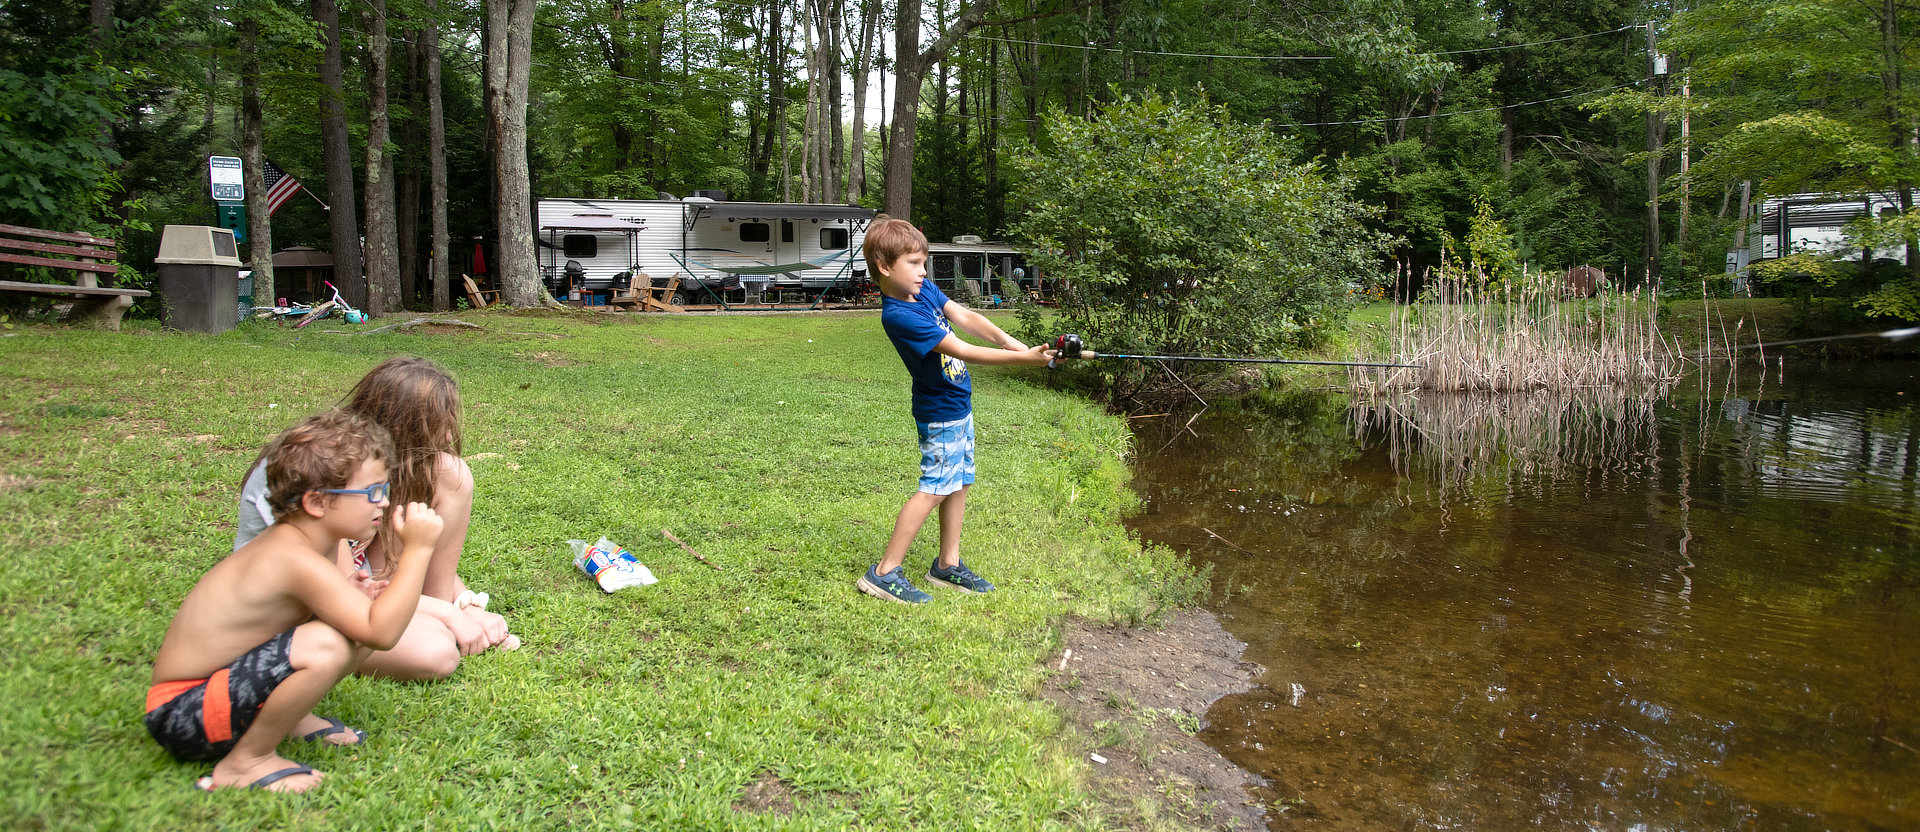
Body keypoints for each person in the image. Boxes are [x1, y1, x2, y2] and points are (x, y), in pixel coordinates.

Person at [147, 410, 445, 792]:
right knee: (325, 645)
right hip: (182, 711)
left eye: (384, 490)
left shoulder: (319, 544)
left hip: (219, 693)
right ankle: (245, 762)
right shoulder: (292, 557)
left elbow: (365, 627)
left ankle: (288, 718)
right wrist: (418, 550)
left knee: (347, 629)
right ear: (317, 503)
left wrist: (360, 598)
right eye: (372, 492)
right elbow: (382, 633)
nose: (383, 503)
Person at [236, 356, 511, 680]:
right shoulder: (319, 469)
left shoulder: (372, 461)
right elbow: (342, 589)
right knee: (435, 653)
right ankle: (430, 618)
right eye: (441, 424)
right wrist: (449, 614)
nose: (450, 437)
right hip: (307, 599)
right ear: (401, 426)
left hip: (360, 582)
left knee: (450, 472)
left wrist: (464, 603)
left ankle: (428, 612)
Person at [857, 216, 1054, 604]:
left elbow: (965, 316)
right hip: (939, 410)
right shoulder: (899, 315)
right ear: (884, 267)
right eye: (913, 263)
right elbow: (962, 349)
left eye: (923, 262)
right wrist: (1023, 361)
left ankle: (947, 564)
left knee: (959, 481)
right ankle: (883, 572)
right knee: (933, 489)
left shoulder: (923, 291)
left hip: (958, 404)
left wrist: (1014, 344)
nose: (923, 270)